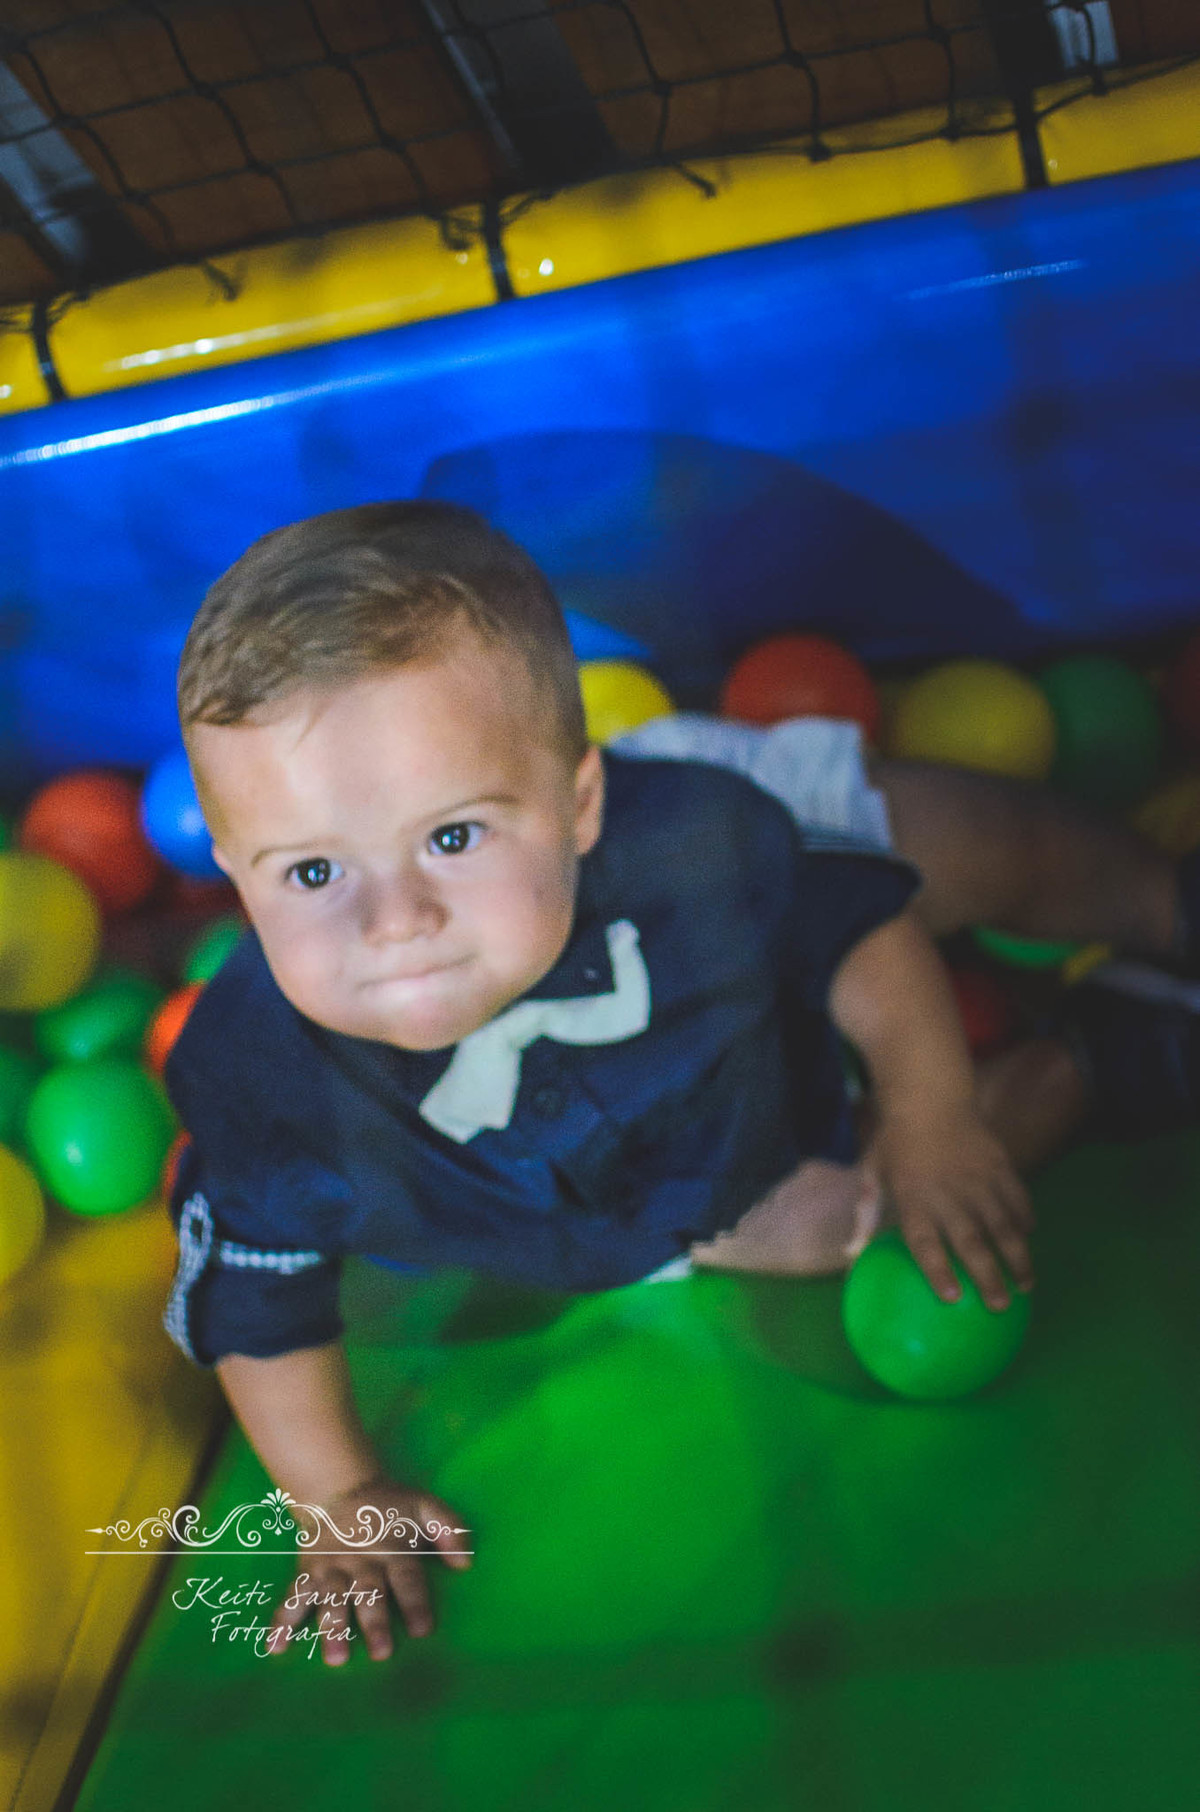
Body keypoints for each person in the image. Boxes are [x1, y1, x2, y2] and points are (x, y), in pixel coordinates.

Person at [162, 500, 1200, 1666]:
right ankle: (1099, 1058)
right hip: (649, 1178)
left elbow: (859, 930)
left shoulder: (684, 843)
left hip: (720, 919)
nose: (394, 920)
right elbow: (257, 1292)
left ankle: (1160, 902)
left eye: (453, 837)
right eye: (312, 872)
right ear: (236, 876)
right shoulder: (263, 1086)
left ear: (577, 804)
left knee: (941, 840)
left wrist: (930, 1112)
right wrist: (336, 1496)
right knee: (850, 1227)